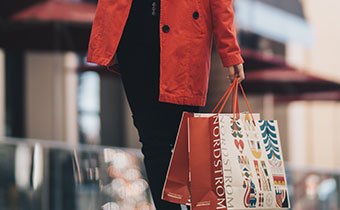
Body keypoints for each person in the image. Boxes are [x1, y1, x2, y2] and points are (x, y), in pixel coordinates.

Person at [87, 0, 245, 209]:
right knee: (153, 142)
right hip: (133, 30)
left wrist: (230, 50)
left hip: (184, 32)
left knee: (183, 143)